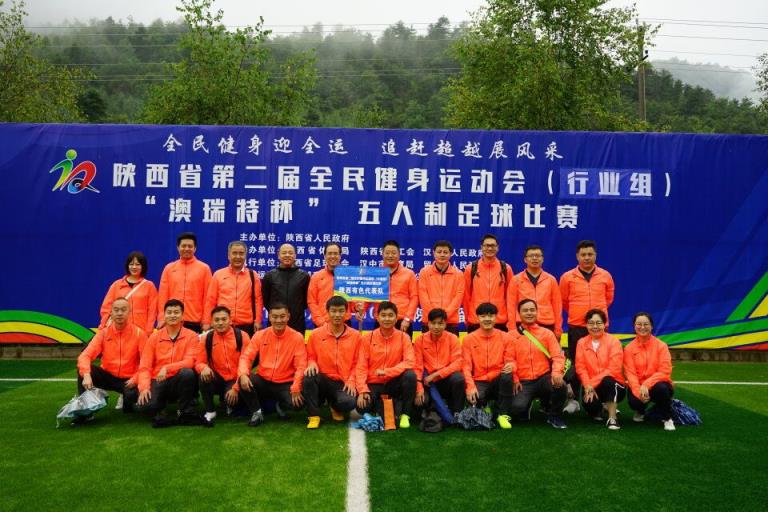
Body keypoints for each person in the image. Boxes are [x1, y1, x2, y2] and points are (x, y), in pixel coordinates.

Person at [559, 240, 614, 413]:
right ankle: (574, 400)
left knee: (602, 362)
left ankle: (603, 399)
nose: (587, 257)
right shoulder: (567, 277)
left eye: (590, 254)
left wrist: (596, 320)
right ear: (577, 256)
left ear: (595, 255)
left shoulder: (605, 275)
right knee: (576, 363)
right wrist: (579, 313)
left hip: (600, 327)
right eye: (583, 255)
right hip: (577, 326)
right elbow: (564, 301)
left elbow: (609, 298)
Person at [74, 298, 147, 424]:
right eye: (116, 310)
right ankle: (86, 412)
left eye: (123, 310)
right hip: (107, 376)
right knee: (85, 370)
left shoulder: (139, 334)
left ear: (129, 312)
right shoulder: (103, 333)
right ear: (111, 313)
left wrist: (136, 378)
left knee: (132, 409)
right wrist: (86, 374)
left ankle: (126, 399)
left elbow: (147, 362)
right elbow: (84, 356)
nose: (119, 313)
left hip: (129, 380)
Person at [238, 303, 307, 427]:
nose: (278, 320)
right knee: (242, 380)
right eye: (275, 317)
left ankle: (280, 405)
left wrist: (296, 387)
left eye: (282, 316)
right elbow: (246, 357)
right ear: (269, 317)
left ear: (288, 316)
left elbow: (301, 366)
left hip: (285, 383)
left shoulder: (297, 337)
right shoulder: (260, 335)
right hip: (263, 380)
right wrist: (243, 374)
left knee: (299, 404)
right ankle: (257, 412)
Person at [137, 299, 199, 428]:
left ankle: (185, 410)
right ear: (164, 315)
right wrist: (144, 388)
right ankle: (161, 406)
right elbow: (145, 366)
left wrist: (167, 368)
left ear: (182, 316)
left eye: (176, 312)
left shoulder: (192, 336)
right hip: (158, 380)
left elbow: (190, 362)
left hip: (178, 379)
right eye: (169, 312)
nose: (172, 315)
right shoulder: (154, 337)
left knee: (187, 373)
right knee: (145, 407)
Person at [355, 301, 417, 428]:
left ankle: (405, 414)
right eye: (383, 315)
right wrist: (362, 390)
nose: (387, 319)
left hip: (394, 382)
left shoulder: (404, 337)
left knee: (410, 375)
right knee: (362, 407)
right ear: (377, 317)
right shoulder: (367, 338)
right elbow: (361, 366)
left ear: (396, 318)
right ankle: (386, 406)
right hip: (374, 383)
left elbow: (409, 362)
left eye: (390, 315)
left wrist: (388, 372)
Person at [303, 296, 361, 428]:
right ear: (327, 312)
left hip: (343, 381)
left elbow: (358, 363)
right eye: (333, 311)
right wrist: (312, 363)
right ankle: (314, 416)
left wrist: (352, 380)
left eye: (341, 311)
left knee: (349, 403)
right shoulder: (315, 334)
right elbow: (310, 356)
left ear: (346, 312)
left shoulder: (356, 336)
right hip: (323, 379)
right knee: (309, 377)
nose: (337, 315)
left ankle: (334, 406)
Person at [508, 299, 567, 429]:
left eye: (532, 310)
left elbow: (558, 356)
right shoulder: (511, 335)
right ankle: (526, 404)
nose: (529, 313)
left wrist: (556, 373)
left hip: (543, 378)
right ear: (519, 314)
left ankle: (554, 415)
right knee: (517, 409)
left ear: (536, 312)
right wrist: (515, 379)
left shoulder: (547, 333)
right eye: (525, 310)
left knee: (561, 385)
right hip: (523, 381)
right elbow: (509, 359)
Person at [462, 302, 515, 429]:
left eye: (491, 316)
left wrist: (512, 366)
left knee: (507, 375)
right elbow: (466, 366)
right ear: (478, 318)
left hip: (498, 379)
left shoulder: (506, 337)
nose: (487, 319)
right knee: (475, 400)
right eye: (483, 316)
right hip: (479, 380)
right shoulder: (469, 339)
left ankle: (502, 414)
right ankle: (485, 405)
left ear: (496, 317)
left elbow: (511, 360)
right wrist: (470, 387)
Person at [195, 305, 251, 428]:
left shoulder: (242, 336)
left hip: (236, 378)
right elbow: (198, 362)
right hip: (218, 378)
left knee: (234, 403)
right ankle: (210, 411)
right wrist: (204, 368)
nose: (220, 323)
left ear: (230, 320)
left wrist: (235, 388)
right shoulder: (206, 338)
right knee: (203, 376)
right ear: (211, 322)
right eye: (217, 320)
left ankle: (229, 404)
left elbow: (246, 364)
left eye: (224, 319)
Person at [623, 312, 676, 431]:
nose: (642, 327)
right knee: (634, 402)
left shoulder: (661, 346)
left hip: (657, 385)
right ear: (634, 326)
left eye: (646, 324)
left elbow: (665, 370)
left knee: (662, 389)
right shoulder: (629, 348)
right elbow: (630, 374)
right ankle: (640, 411)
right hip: (639, 386)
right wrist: (639, 393)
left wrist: (646, 384)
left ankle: (667, 418)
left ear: (651, 326)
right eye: (639, 324)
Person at [574, 309, 625, 430]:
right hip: (591, 386)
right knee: (591, 407)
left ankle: (612, 418)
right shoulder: (581, 342)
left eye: (599, 323)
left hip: (614, 384)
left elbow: (613, 369)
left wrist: (591, 383)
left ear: (605, 324)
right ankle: (603, 407)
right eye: (591, 323)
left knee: (608, 380)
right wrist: (587, 385)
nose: (595, 326)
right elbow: (580, 367)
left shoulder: (614, 341)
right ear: (586, 325)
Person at [203, 241, 263, 336]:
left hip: (246, 326)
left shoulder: (253, 275)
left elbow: (258, 300)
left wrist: (258, 320)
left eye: (241, 253)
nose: (238, 256)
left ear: (245, 256)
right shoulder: (218, 275)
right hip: (222, 324)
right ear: (229, 255)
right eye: (234, 253)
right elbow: (211, 300)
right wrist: (207, 321)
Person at [158, 232, 212, 333]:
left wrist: (207, 320)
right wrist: (162, 317)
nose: (186, 248)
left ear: (195, 248)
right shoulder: (169, 268)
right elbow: (162, 296)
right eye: (183, 246)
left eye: (190, 246)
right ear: (178, 248)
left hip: (195, 322)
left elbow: (208, 297)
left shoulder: (204, 269)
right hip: (172, 320)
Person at [414, 308, 465, 416]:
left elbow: (458, 363)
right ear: (428, 323)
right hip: (427, 382)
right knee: (421, 402)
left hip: (445, 379)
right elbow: (417, 366)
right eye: (433, 323)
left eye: (440, 323)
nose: (436, 327)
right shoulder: (420, 340)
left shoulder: (453, 338)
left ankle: (458, 412)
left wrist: (436, 374)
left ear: (445, 324)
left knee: (459, 378)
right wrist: (419, 387)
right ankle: (429, 410)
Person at [463, 234, 516, 333]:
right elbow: (466, 296)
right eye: (487, 245)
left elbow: (511, 297)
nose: (490, 248)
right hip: (476, 320)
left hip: (499, 320)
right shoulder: (471, 268)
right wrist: (468, 318)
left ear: (497, 248)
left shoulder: (505, 268)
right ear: (481, 247)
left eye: (493, 245)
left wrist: (511, 320)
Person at [99, 251, 158, 335]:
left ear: (143, 266)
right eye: (131, 264)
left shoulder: (149, 286)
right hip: (119, 329)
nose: (134, 267)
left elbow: (152, 311)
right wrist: (103, 325)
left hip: (140, 331)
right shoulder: (116, 285)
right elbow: (106, 308)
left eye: (138, 264)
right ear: (127, 266)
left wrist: (148, 330)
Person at [511, 245, 562, 339]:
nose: (534, 258)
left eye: (538, 256)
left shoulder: (551, 279)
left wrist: (558, 328)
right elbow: (511, 305)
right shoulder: (516, 280)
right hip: (523, 325)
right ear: (525, 259)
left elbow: (557, 306)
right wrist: (512, 328)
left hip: (546, 324)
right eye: (531, 256)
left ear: (542, 259)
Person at [418, 240, 464, 335]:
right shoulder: (424, 272)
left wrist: (444, 316)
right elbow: (423, 295)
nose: (442, 255)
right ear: (433, 253)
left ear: (451, 254)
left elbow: (458, 297)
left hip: (450, 322)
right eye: (439, 252)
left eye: (445, 252)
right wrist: (434, 316)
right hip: (430, 321)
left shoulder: (458, 274)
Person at [261, 244, 310, 334]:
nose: (287, 255)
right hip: (276, 321)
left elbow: (306, 301)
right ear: (278, 255)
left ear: (295, 255)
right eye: (284, 253)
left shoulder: (304, 276)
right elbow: (266, 300)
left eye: (290, 253)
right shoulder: (269, 276)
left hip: (297, 322)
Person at [307, 242, 354, 328]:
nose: (332, 256)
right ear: (325, 256)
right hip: (322, 324)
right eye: (330, 253)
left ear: (340, 256)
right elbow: (312, 302)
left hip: (344, 322)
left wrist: (358, 307)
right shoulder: (316, 277)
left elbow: (354, 300)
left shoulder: (348, 276)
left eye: (335, 253)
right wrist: (321, 322)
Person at [379, 240, 418, 336]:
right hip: (381, 319)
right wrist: (361, 309)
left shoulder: (409, 274)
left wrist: (407, 319)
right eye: (387, 253)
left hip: (402, 322)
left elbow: (414, 297)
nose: (390, 256)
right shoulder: (376, 273)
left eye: (393, 253)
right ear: (382, 254)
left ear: (399, 254)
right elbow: (369, 295)